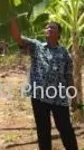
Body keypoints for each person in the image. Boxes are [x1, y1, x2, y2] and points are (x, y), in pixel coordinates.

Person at [10, 18, 78, 150]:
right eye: (47, 27)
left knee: (65, 129)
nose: (49, 29)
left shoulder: (64, 53)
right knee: (43, 130)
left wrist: (73, 96)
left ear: (59, 34)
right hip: (39, 96)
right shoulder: (36, 46)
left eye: (53, 28)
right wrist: (12, 18)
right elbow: (17, 38)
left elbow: (68, 76)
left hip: (59, 97)